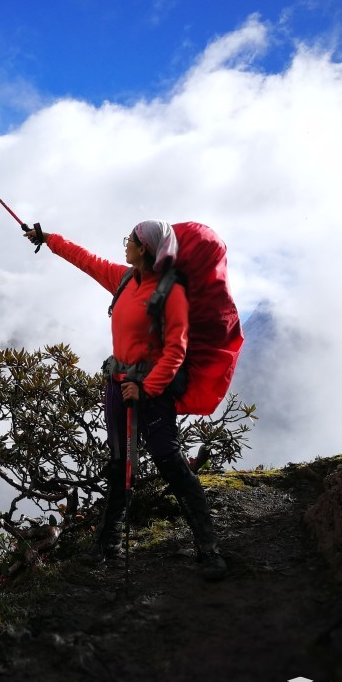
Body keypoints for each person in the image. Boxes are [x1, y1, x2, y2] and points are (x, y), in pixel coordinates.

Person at [25, 221, 228, 582]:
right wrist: (47, 239)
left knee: (171, 463)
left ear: (145, 248)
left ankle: (208, 549)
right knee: (120, 464)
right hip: (117, 386)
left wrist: (148, 388)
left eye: (130, 241)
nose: (125, 246)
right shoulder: (124, 280)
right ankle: (107, 545)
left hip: (151, 392)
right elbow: (85, 260)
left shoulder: (170, 293)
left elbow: (176, 350)